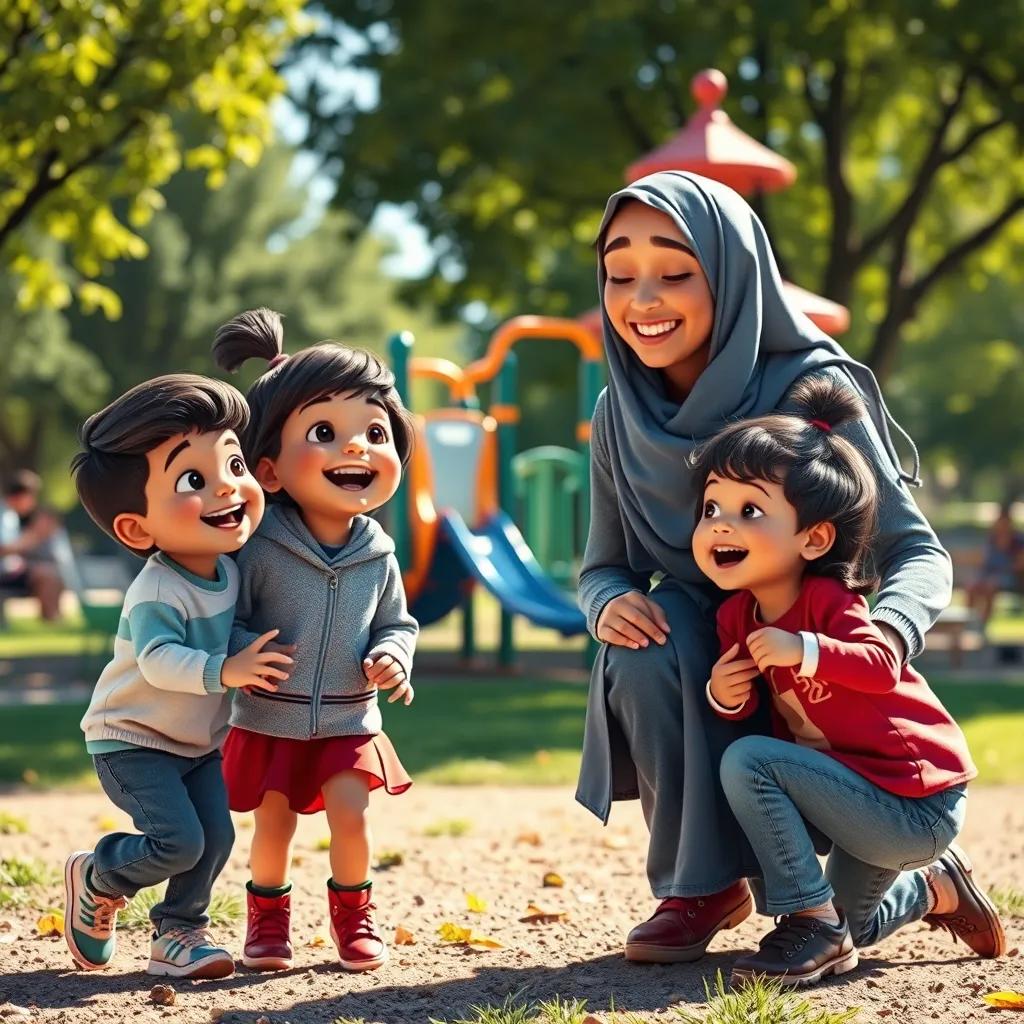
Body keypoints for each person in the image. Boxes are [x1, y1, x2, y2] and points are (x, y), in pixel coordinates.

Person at [575, 170, 960, 965]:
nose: (643, 299)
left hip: (819, 669)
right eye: (620, 274)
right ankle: (700, 887)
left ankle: (927, 883)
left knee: (839, 930)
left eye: (676, 273)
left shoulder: (810, 387)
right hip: (715, 655)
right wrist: (606, 600)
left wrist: (875, 636)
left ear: (733, 274)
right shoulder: (617, 409)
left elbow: (915, 550)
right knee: (649, 639)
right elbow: (602, 564)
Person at [691, 374, 1003, 986]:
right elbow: (759, 707)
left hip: (915, 803)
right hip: (853, 798)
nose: (721, 525)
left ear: (815, 538)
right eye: (711, 508)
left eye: (749, 510)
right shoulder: (736, 615)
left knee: (750, 760)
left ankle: (811, 917)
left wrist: (802, 647)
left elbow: (880, 666)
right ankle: (933, 889)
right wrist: (722, 695)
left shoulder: (831, 603)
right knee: (847, 930)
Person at [63, 375, 291, 979]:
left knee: (215, 840)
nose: (228, 488)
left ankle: (179, 935)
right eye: (194, 480)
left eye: (234, 463)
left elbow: (223, 631)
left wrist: (249, 650)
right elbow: (160, 660)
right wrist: (228, 669)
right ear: (137, 529)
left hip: (195, 744)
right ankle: (100, 873)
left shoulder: (227, 568)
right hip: (132, 740)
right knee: (179, 843)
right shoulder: (158, 587)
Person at [212, 308, 418, 973]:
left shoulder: (378, 554)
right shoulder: (260, 547)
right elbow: (228, 618)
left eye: (376, 432)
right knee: (274, 823)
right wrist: (240, 656)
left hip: (347, 715)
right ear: (268, 470)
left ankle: (353, 918)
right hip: (274, 715)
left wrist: (395, 655)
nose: (356, 448)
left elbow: (397, 622)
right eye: (325, 433)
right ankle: (267, 922)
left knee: (352, 815)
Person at [0, 469, 66, 620]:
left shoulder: (11, 515)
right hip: (4, 572)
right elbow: (4, 548)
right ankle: (51, 620)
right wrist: (35, 535)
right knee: (46, 574)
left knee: (52, 572)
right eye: (32, 496)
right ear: (22, 496)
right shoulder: (4, 514)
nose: (33, 502)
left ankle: (53, 618)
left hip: (11, 570)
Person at [966, 505, 1024, 627]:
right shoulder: (992, 538)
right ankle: (969, 623)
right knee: (972, 587)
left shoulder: (1017, 540)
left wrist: (1002, 572)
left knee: (990, 587)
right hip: (989, 574)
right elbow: (985, 559)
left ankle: (982, 625)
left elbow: (1019, 564)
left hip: (1008, 576)